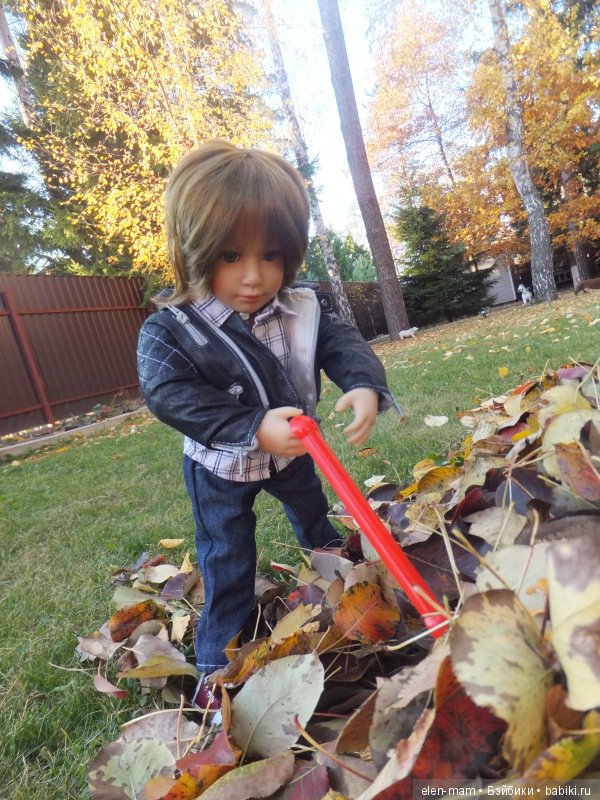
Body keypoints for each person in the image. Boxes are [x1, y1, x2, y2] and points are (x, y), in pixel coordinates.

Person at [137, 140, 400, 709]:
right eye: (230, 256)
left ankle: (342, 577)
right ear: (193, 249)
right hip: (222, 466)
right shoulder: (171, 331)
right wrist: (252, 426)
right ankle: (216, 670)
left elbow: (341, 342)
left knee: (314, 516)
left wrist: (362, 383)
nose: (254, 276)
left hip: (294, 454)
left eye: (271, 255)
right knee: (227, 557)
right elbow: (170, 395)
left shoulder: (303, 304)